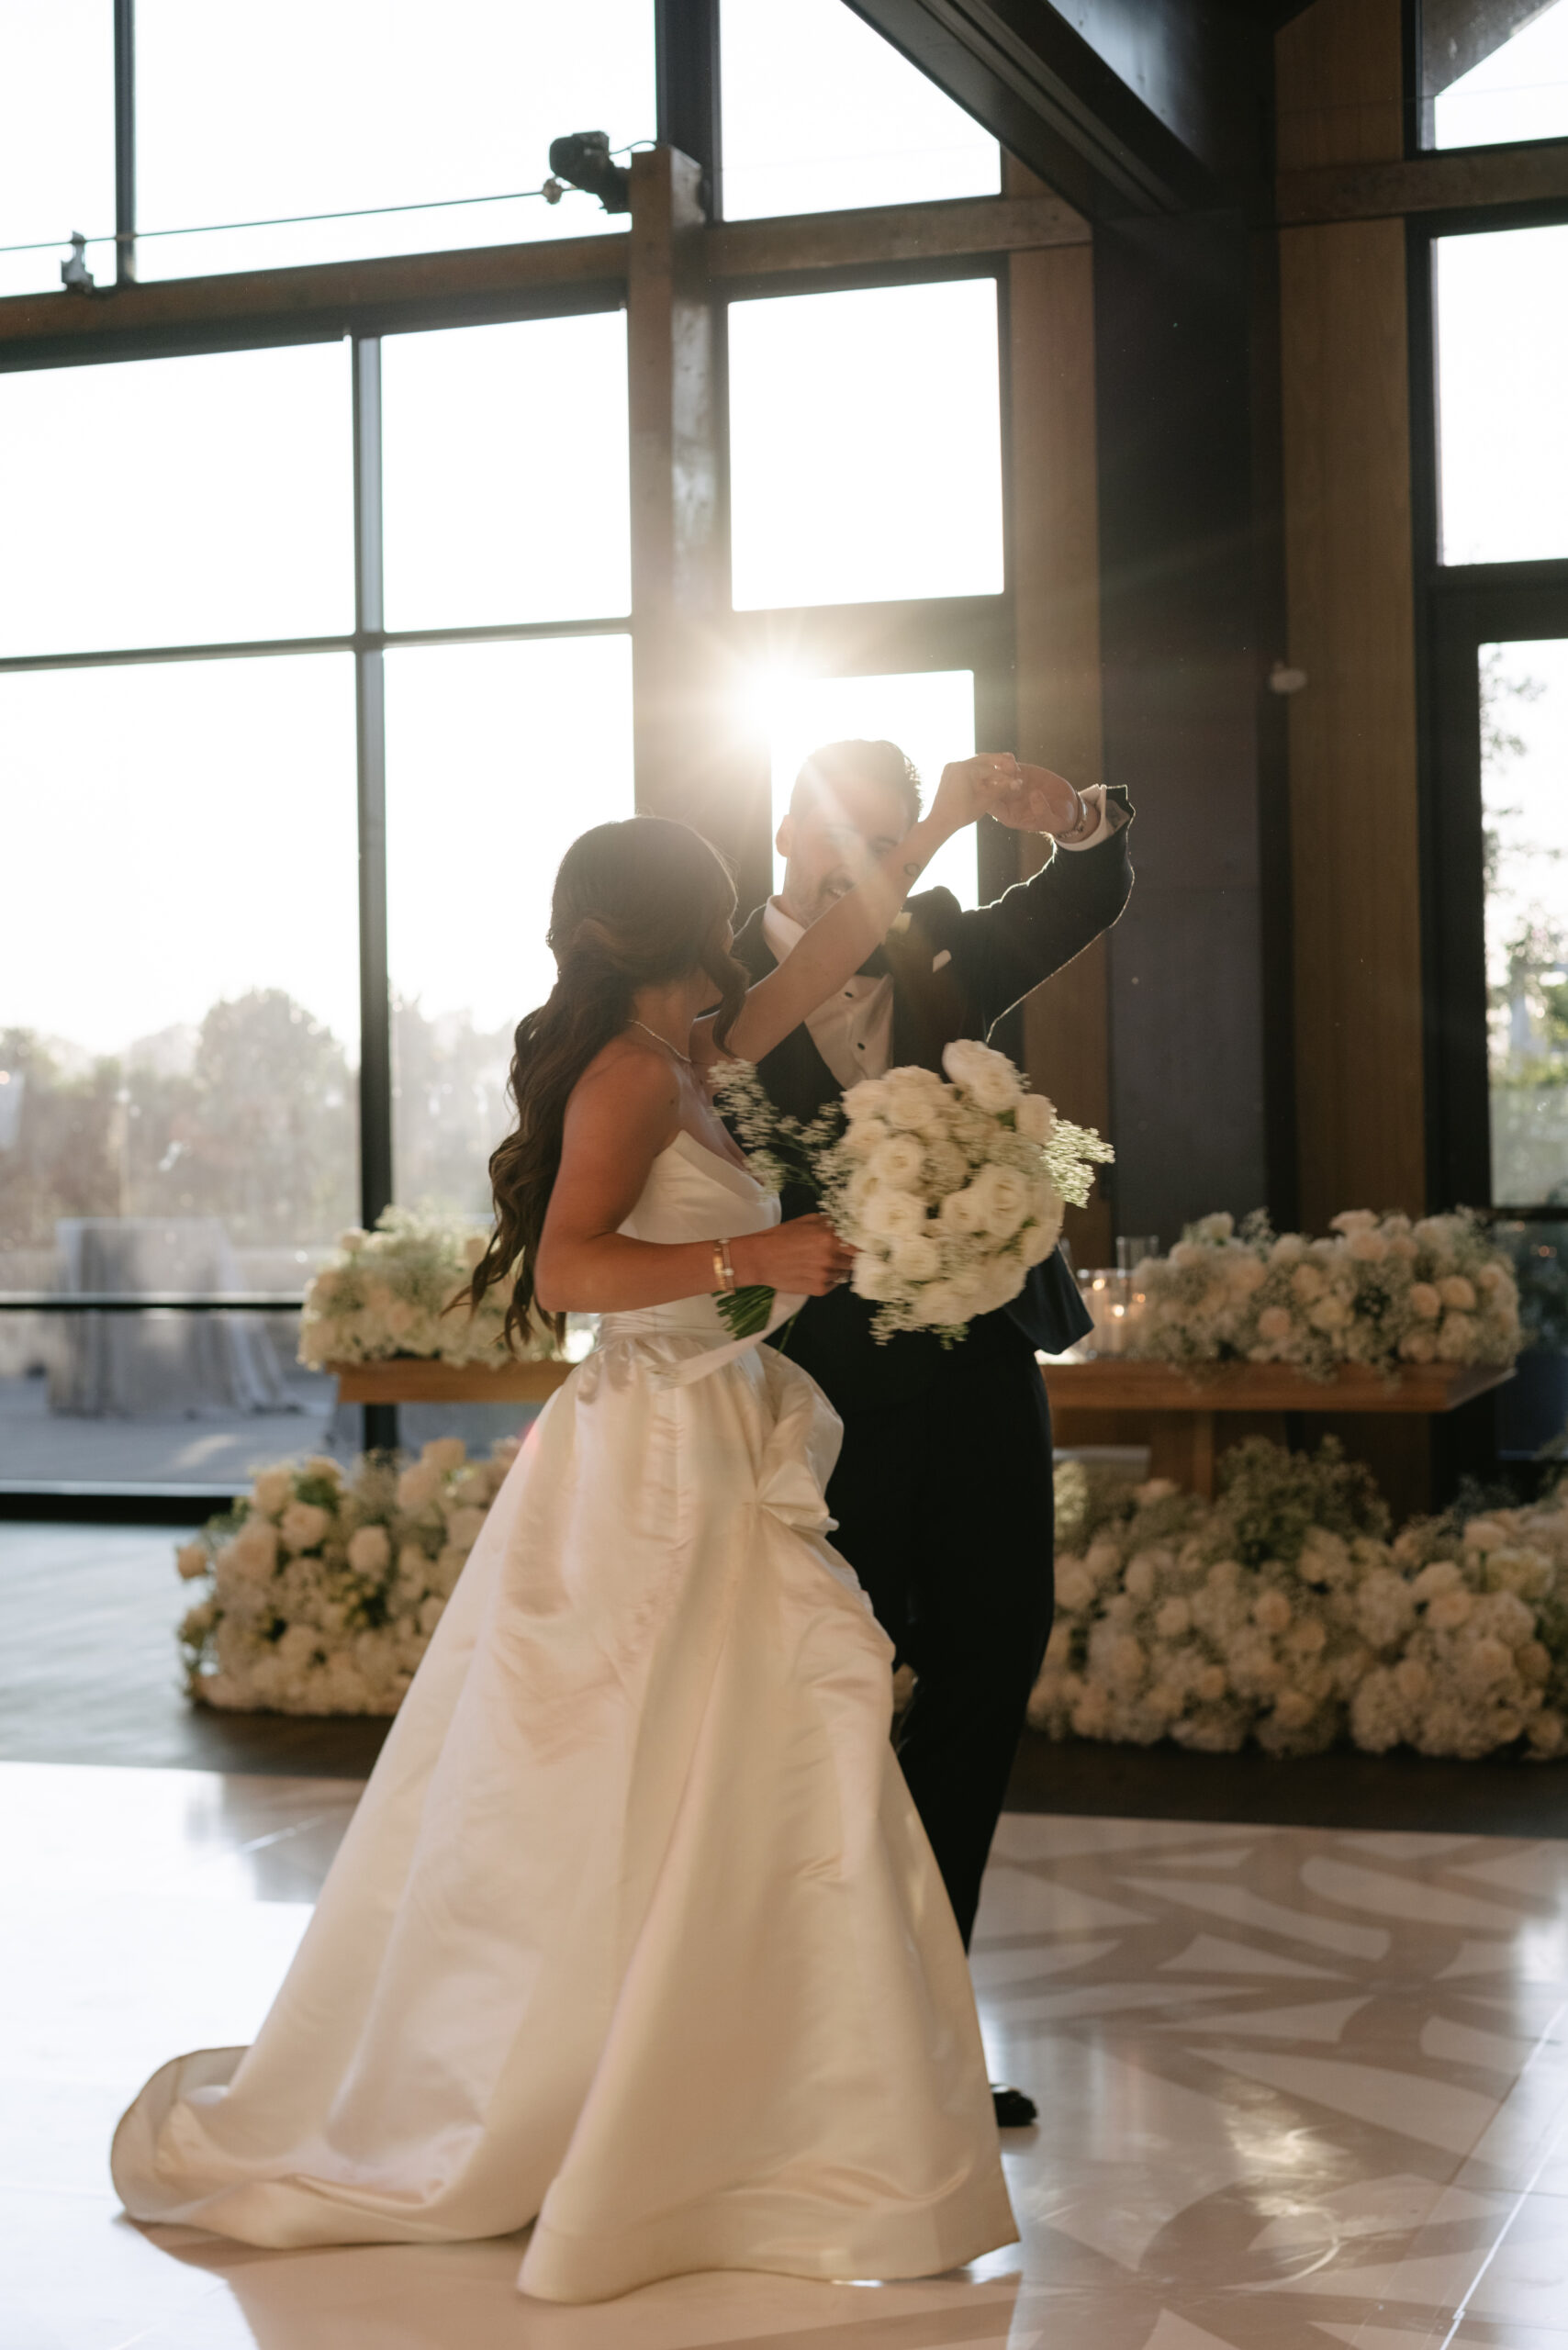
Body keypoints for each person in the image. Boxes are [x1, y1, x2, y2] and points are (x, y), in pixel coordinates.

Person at [110, 759, 1037, 2305]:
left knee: (764, 1770)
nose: (754, 910)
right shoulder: (620, 1070)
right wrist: (768, 1249)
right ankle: (587, 2098)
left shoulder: (689, 1045)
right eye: (725, 891)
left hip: (724, 1445)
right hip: (649, 1472)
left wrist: (932, 832)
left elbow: (819, 960)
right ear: (678, 916)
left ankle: (753, 2102)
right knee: (625, 1773)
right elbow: (568, 1274)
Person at [731, 739, 1134, 2123]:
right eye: (845, 826)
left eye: (896, 832)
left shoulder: (944, 940)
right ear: (788, 827)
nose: (868, 854)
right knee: (823, 1696)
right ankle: (788, 2031)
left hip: (979, 1370)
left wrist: (1080, 824)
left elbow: (1079, 901)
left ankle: (914, 2027)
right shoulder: (716, 979)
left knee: (988, 1659)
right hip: (813, 1392)